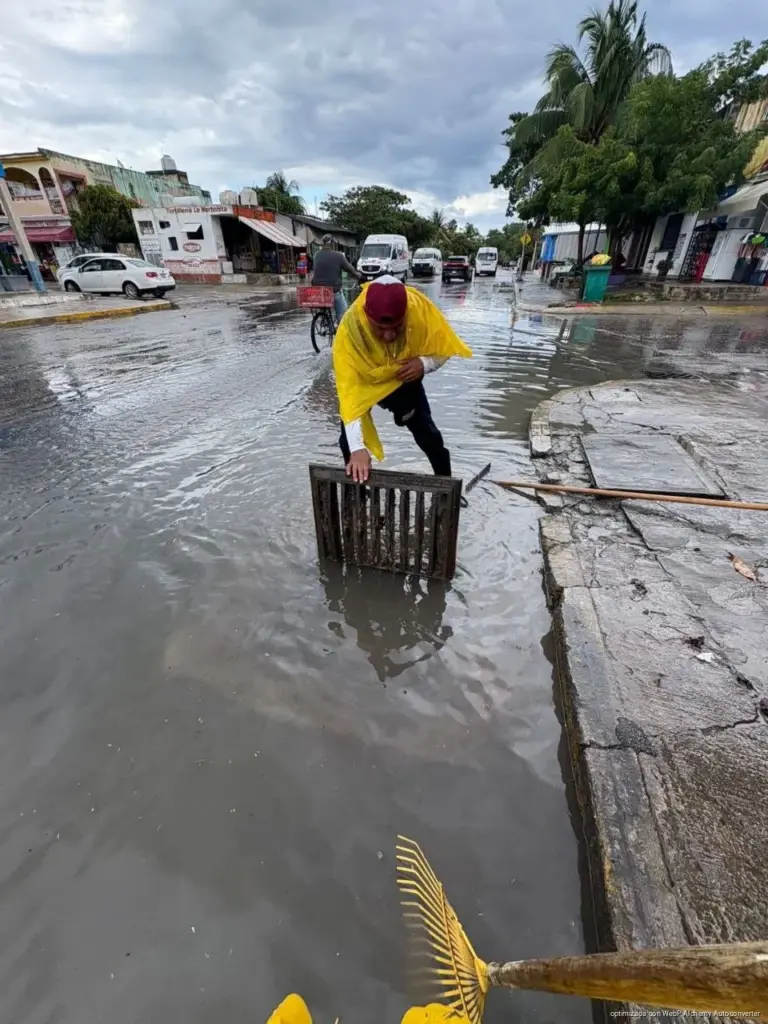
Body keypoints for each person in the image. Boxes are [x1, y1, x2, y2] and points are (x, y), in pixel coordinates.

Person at [332, 275, 472, 482]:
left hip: (403, 377)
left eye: (397, 327)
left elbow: (445, 346)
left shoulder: (419, 310)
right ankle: (358, 492)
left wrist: (424, 364)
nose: (389, 336)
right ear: (366, 316)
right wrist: (358, 448)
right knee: (349, 443)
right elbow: (348, 389)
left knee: (428, 435)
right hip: (363, 382)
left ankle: (446, 489)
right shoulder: (349, 328)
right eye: (380, 328)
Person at [311, 234, 362, 321]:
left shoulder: (316, 256)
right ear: (332, 244)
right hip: (334, 289)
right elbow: (349, 268)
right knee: (343, 313)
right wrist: (357, 275)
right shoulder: (338, 256)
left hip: (318, 291)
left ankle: (325, 320)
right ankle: (340, 326)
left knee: (325, 302)